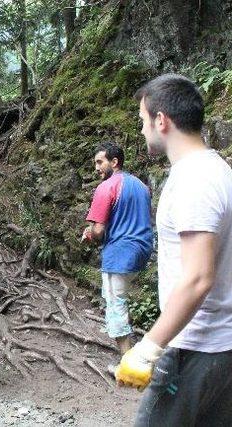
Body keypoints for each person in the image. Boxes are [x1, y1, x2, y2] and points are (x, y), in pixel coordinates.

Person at [115, 74, 232, 426]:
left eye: (143, 121)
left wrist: (148, 348)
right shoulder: (215, 168)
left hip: (198, 346)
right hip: (225, 340)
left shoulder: (195, 181)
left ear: (161, 120)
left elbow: (198, 277)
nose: (142, 130)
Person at [82, 142, 153, 356]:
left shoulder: (107, 187)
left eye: (100, 162)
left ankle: (128, 362)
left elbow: (99, 231)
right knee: (121, 300)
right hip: (143, 248)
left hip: (120, 251)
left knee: (115, 304)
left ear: (114, 162)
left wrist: (88, 233)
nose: (96, 168)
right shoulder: (141, 185)